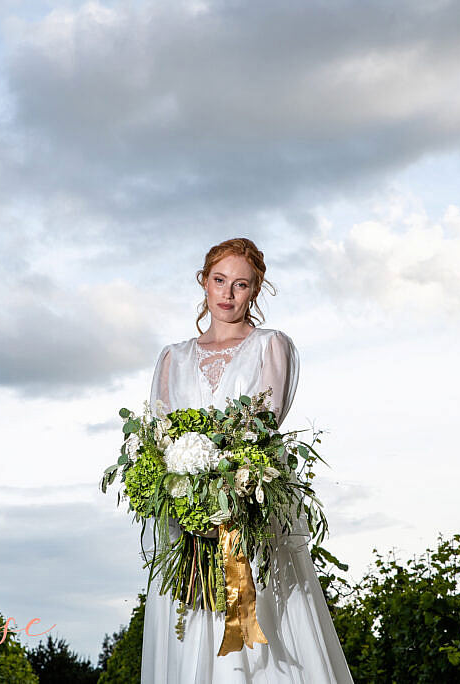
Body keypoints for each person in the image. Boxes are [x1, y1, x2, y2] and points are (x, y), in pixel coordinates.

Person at [140, 237, 354, 683]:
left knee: (262, 620)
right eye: (219, 281)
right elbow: (159, 437)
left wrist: (225, 480)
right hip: (187, 521)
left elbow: (264, 423)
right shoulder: (172, 358)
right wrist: (186, 490)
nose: (227, 294)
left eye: (241, 284)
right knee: (192, 616)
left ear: (255, 290)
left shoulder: (271, 346)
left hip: (247, 509)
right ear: (203, 283)